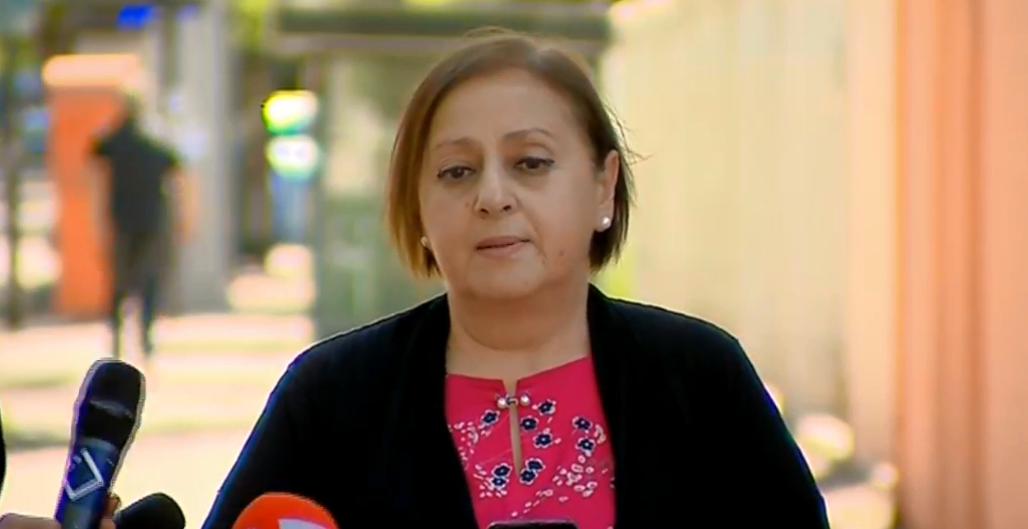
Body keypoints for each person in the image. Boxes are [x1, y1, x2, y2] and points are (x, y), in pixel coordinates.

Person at [194, 31, 829, 528]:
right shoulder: (331, 398)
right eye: (457, 172)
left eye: (531, 163)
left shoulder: (700, 377)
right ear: (417, 207)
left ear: (603, 187)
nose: (493, 196)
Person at [87, 98, 195, 366]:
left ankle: (117, 340)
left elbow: (93, 161)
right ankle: (145, 342)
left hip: (121, 222)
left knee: (119, 284)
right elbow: (178, 175)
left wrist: (97, 220)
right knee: (148, 283)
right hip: (151, 221)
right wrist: (183, 220)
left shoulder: (113, 144)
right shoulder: (154, 147)